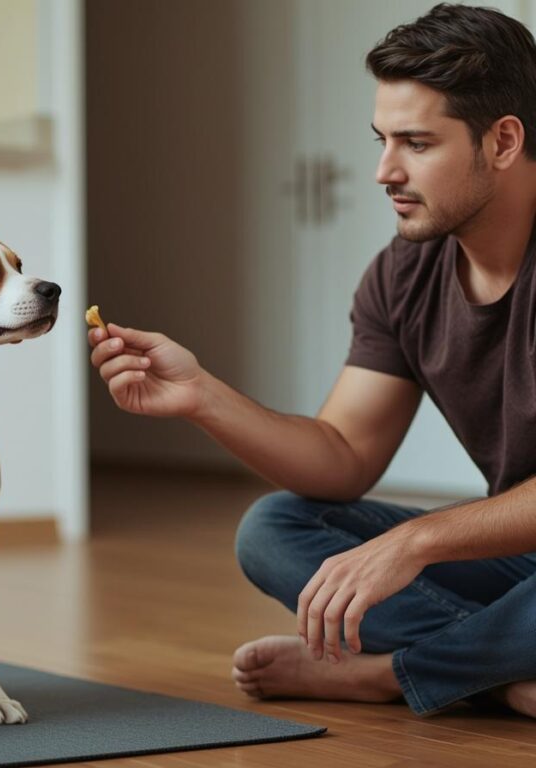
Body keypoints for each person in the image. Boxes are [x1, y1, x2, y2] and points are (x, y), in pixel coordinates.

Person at [87, 3, 536, 718]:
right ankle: (496, 668)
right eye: (382, 140)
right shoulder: (403, 275)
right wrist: (202, 395)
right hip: (521, 564)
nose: (384, 171)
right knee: (276, 528)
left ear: (503, 141)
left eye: (417, 143)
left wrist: (416, 542)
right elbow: (342, 455)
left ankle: (394, 674)